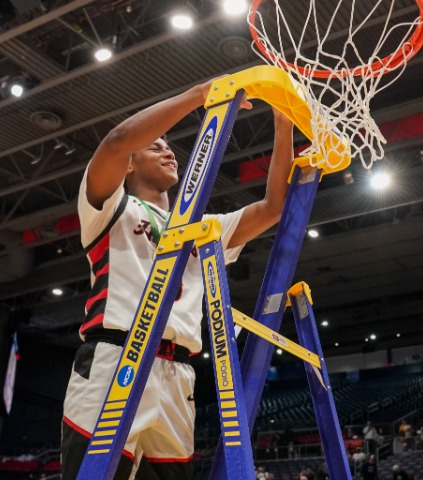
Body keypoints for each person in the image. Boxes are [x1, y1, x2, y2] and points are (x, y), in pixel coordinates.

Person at [61, 76, 295, 480]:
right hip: (116, 358)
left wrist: (283, 122)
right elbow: (117, 140)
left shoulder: (202, 227)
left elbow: (273, 207)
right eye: (155, 147)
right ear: (130, 164)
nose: (168, 151)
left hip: (178, 373)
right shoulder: (110, 208)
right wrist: (200, 95)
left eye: (169, 148)